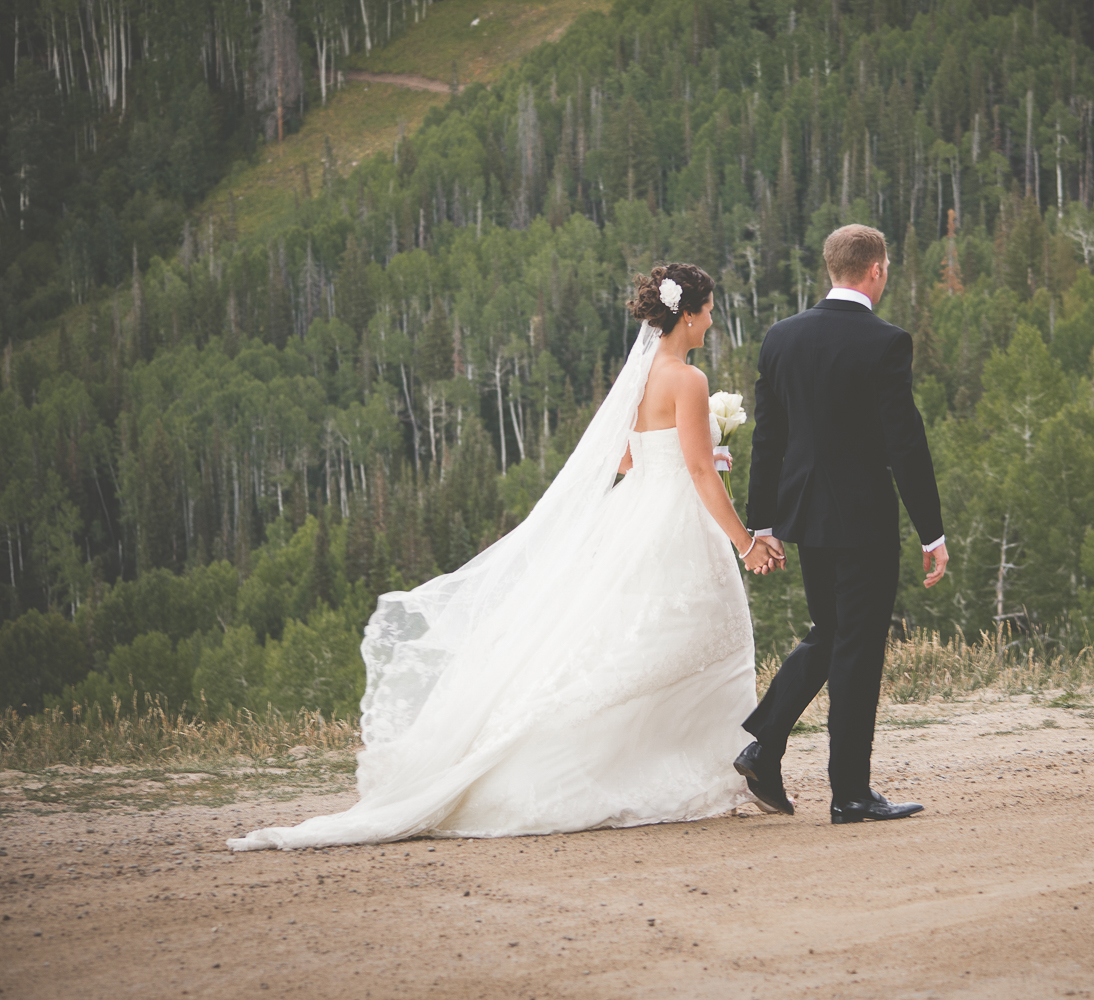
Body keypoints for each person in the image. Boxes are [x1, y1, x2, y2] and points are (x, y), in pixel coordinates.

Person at [229, 263, 782, 850]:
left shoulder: (642, 375)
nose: (714, 319)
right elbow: (695, 470)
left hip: (639, 514)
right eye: (711, 309)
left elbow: (625, 460)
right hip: (675, 527)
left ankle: (684, 766)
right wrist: (745, 541)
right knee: (697, 640)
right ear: (690, 313)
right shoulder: (688, 381)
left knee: (645, 643)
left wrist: (690, 460)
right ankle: (697, 769)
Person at [737, 224, 948, 825]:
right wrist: (932, 532)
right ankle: (850, 793)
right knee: (856, 648)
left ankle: (765, 743)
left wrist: (764, 522)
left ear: (832, 268)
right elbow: (905, 444)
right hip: (862, 521)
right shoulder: (885, 342)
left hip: (804, 517)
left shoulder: (782, 338)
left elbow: (769, 439)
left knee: (832, 633)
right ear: (875, 270)